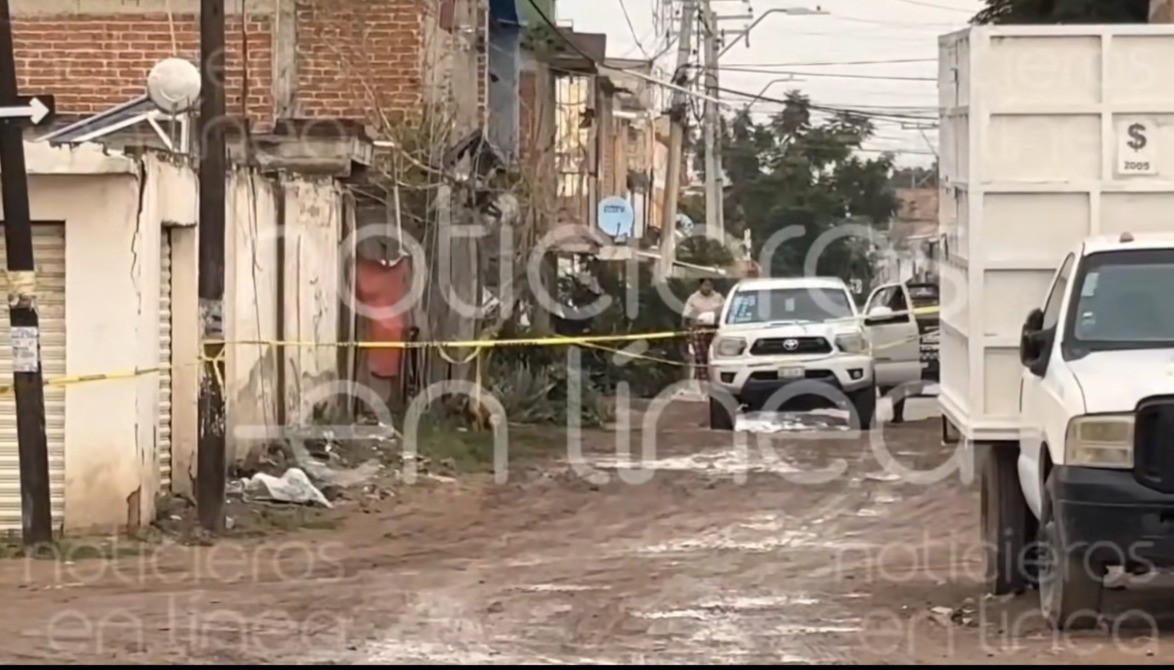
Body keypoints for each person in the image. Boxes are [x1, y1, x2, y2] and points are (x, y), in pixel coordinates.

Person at [683, 278, 724, 381]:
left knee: (713, 355)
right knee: (700, 356)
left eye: (709, 285)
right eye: (705, 285)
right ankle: (702, 378)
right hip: (698, 331)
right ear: (700, 286)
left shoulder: (718, 298)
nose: (707, 287)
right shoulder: (693, 298)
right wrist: (687, 333)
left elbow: (725, 312)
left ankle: (714, 378)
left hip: (715, 330)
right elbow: (686, 316)